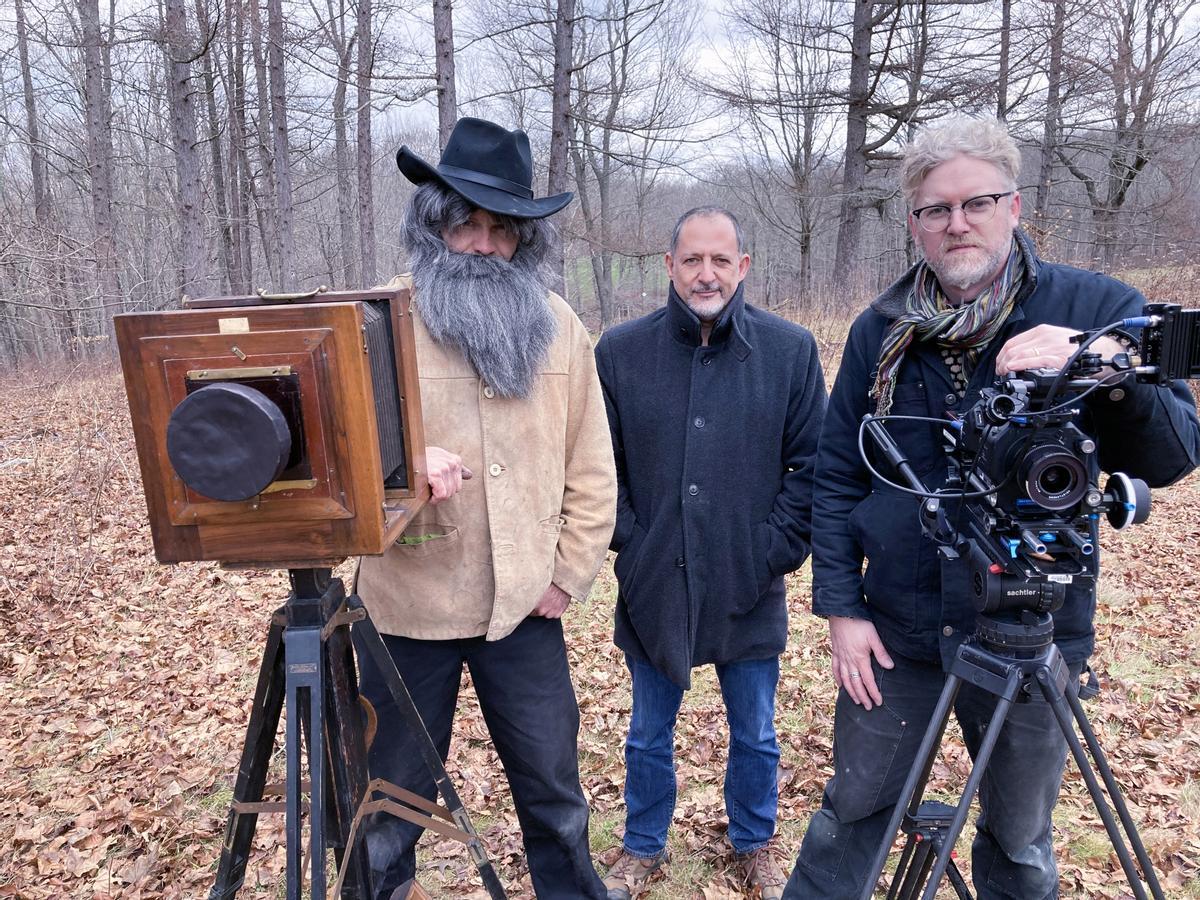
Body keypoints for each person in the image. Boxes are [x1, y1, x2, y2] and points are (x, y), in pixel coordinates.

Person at [783, 116, 1200, 899]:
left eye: (977, 202)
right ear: (914, 224)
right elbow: (837, 474)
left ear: (1015, 207)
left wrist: (1100, 363)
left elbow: (1174, 456)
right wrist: (840, 605)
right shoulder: (882, 330)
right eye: (935, 209)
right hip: (896, 631)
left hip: (1033, 629)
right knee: (855, 813)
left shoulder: (1096, 305)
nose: (957, 223)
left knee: (1018, 838)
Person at [353, 117, 617, 900]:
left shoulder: (561, 327)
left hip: (525, 611)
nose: (481, 243)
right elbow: (331, 454)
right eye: (464, 221)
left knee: (555, 798)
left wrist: (566, 579)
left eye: (501, 228)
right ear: (433, 223)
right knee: (389, 806)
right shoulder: (379, 321)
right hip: (407, 610)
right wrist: (397, 466)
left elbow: (592, 466)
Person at [594, 207, 827, 900]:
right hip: (652, 577)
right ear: (668, 266)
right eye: (692, 259)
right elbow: (599, 469)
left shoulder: (789, 351)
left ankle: (754, 840)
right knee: (646, 732)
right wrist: (632, 545)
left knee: (755, 731)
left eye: (720, 260)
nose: (706, 273)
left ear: (744, 267)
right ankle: (642, 846)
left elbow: (812, 466)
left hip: (750, 578)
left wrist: (769, 550)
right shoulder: (619, 352)